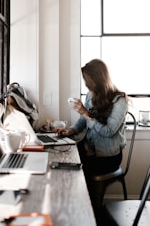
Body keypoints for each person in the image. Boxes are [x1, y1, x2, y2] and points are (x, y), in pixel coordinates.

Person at [54, 59, 128, 216]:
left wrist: (85, 113)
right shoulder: (91, 95)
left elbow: (108, 131)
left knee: (77, 172)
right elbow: (83, 121)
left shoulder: (119, 101)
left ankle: (87, 212)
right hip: (90, 148)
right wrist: (70, 131)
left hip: (108, 156)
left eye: (88, 82)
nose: (87, 86)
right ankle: (68, 208)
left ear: (98, 80)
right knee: (61, 161)